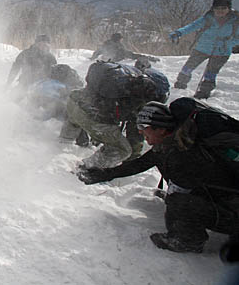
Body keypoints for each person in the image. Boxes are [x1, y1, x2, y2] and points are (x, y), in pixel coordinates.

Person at [78, 101, 239, 253]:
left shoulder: (182, 153)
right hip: (226, 198)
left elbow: (186, 189)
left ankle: (189, 241)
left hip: (233, 209)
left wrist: (175, 207)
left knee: (179, 202)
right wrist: (103, 174)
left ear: (161, 129)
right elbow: (142, 163)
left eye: (143, 126)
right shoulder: (177, 141)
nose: (140, 131)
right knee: (178, 199)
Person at [59, 60, 164, 168]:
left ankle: (60, 146)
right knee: (122, 149)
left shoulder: (124, 76)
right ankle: (84, 170)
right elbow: (135, 135)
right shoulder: (141, 97)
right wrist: (131, 160)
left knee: (75, 121)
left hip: (74, 101)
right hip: (91, 117)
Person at [170, 0, 239, 99]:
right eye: (217, 8)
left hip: (222, 52)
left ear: (229, 9)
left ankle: (203, 93)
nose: (220, 11)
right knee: (187, 68)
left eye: (223, 8)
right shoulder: (208, 18)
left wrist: (227, 43)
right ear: (213, 8)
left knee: (210, 73)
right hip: (202, 48)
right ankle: (179, 86)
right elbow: (193, 26)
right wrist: (179, 32)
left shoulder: (235, 22)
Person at [90, 33, 159, 63]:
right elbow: (130, 54)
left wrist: (92, 58)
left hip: (105, 60)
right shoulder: (118, 46)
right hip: (114, 60)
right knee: (129, 54)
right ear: (118, 39)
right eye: (120, 39)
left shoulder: (106, 43)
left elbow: (98, 52)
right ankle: (148, 58)